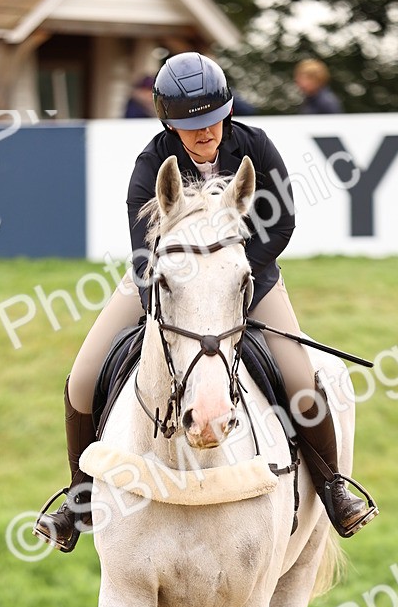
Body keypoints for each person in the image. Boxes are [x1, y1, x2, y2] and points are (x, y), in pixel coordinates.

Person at [34, 51, 376, 553]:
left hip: (246, 275)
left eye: (213, 120)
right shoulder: (151, 164)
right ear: (168, 123)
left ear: (228, 110)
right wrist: (175, 299)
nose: (205, 133)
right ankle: (79, 500)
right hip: (165, 279)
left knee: (301, 378)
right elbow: (143, 254)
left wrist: (229, 280)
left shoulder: (255, 146)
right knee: (83, 378)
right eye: (192, 126)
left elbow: (282, 223)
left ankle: (332, 489)